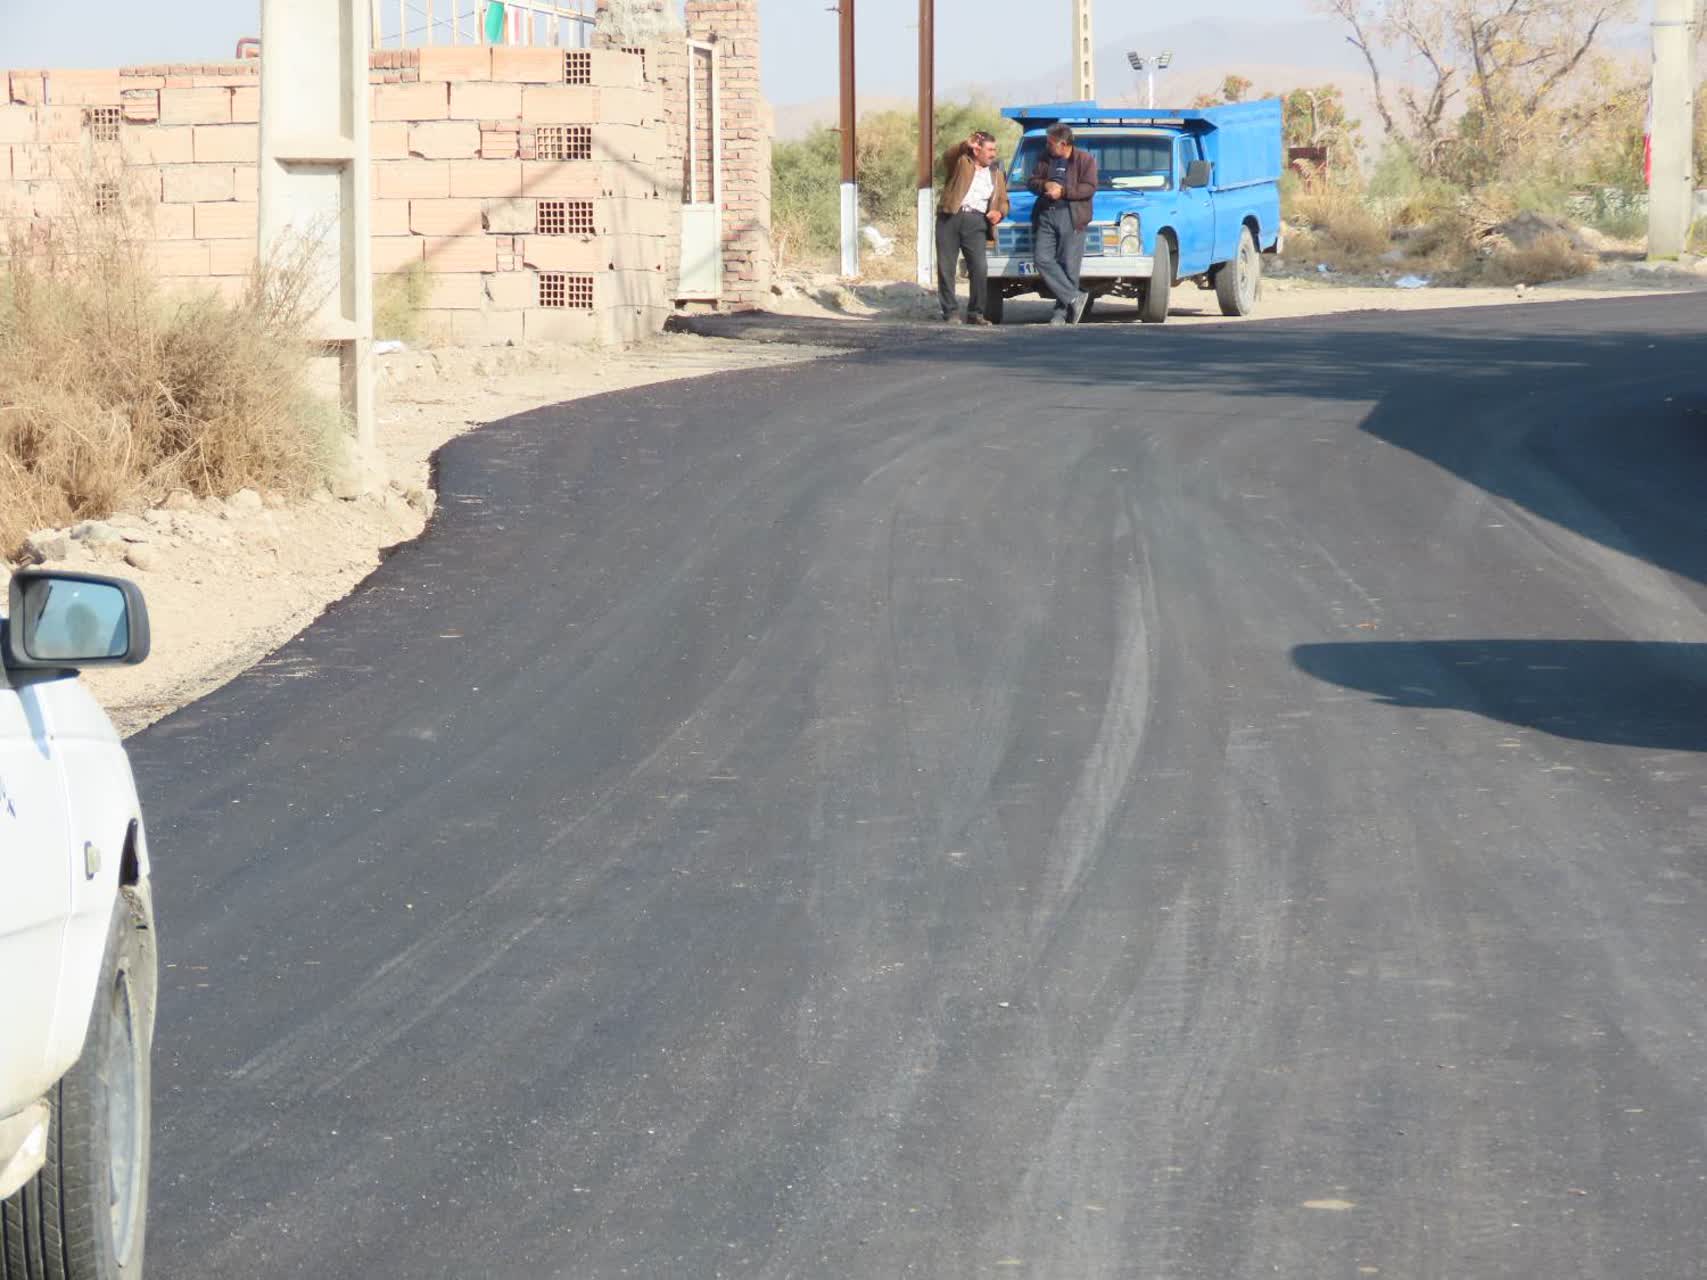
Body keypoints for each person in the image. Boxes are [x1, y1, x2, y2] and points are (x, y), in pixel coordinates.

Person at [1027, 123, 1098, 326]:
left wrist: (1063, 192)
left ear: (1063, 143)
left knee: (1069, 265)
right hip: (1046, 214)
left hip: (1072, 215)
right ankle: (1075, 297)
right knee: (1042, 258)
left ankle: (1060, 313)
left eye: (1050, 142)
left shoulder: (1085, 160)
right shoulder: (1045, 158)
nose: (1047, 145)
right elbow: (1032, 181)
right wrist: (1045, 185)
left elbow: (1089, 188)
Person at [936, 130, 1009, 324]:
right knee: (946, 267)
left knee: (979, 267)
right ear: (977, 151)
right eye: (990, 149)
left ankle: (976, 313)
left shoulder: (996, 173)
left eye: (995, 149)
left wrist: (999, 212)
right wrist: (964, 145)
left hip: (977, 221)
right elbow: (948, 156)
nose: (994, 153)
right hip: (950, 217)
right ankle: (950, 312)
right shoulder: (961, 163)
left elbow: (1003, 200)